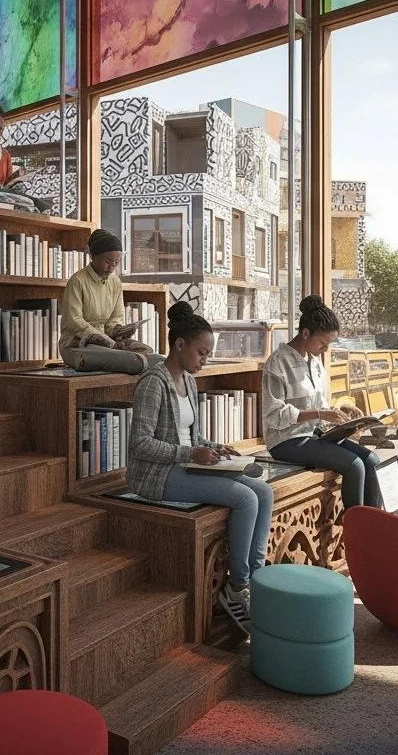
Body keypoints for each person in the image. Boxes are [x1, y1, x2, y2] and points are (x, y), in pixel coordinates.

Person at [128, 301, 274, 634]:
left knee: (263, 491)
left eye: (208, 354)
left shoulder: (190, 382)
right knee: (246, 499)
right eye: (202, 353)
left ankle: (255, 576)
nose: (205, 360)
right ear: (179, 345)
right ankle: (237, 587)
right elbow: (140, 444)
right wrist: (190, 453)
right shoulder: (153, 383)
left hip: (185, 463)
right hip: (156, 475)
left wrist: (210, 446)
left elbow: (191, 435)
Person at [263, 296, 383, 513]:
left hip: (315, 436)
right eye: (323, 343)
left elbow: (321, 405)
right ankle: (356, 531)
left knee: (372, 460)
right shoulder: (278, 362)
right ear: (305, 333)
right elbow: (274, 414)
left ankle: (372, 525)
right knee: (354, 465)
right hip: (286, 441)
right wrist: (319, 413)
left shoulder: (315, 362)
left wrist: (340, 411)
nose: (326, 349)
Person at [59, 229, 164, 374]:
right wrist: (101, 338)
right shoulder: (77, 281)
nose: (112, 267)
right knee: (128, 359)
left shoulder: (115, 282)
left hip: (109, 343)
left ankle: (132, 360)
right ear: (93, 256)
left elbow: (115, 319)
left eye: (116, 262)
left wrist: (119, 331)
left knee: (146, 351)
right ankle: (130, 361)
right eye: (108, 261)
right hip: (78, 344)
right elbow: (74, 320)